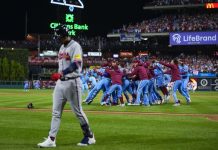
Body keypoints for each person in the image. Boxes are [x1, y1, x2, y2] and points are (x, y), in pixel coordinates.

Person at [37, 25, 96, 148]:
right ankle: (51, 139)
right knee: (56, 112)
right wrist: (60, 75)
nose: (57, 39)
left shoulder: (75, 46)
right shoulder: (61, 47)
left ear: (64, 35)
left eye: (58, 36)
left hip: (73, 82)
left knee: (78, 111)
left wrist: (62, 73)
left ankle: (89, 136)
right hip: (61, 83)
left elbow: (76, 64)